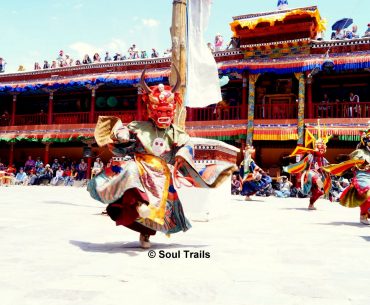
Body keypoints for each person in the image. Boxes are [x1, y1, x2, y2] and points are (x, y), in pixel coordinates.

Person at [87, 66, 236, 248]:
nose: (163, 115)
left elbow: (186, 146)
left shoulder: (176, 132)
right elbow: (122, 133)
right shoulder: (139, 126)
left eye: (167, 111)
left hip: (161, 174)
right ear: (150, 108)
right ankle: (138, 204)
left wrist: (182, 153)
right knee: (131, 170)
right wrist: (121, 133)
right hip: (141, 164)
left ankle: (146, 234)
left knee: (158, 208)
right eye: (159, 110)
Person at [323, 128, 370, 224]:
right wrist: (361, 164)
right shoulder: (359, 152)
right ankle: (363, 215)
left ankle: (365, 214)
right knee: (368, 195)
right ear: (366, 141)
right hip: (362, 177)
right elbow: (353, 164)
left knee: (367, 198)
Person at [284, 122, 332, 210]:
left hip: (320, 175)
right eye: (319, 147)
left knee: (319, 192)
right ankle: (309, 189)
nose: (321, 149)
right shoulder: (311, 156)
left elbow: (327, 167)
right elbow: (302, 163)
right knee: (317, 180)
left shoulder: (324, 159)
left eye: (322, 147)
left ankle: (311, 204)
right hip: (311, 173)